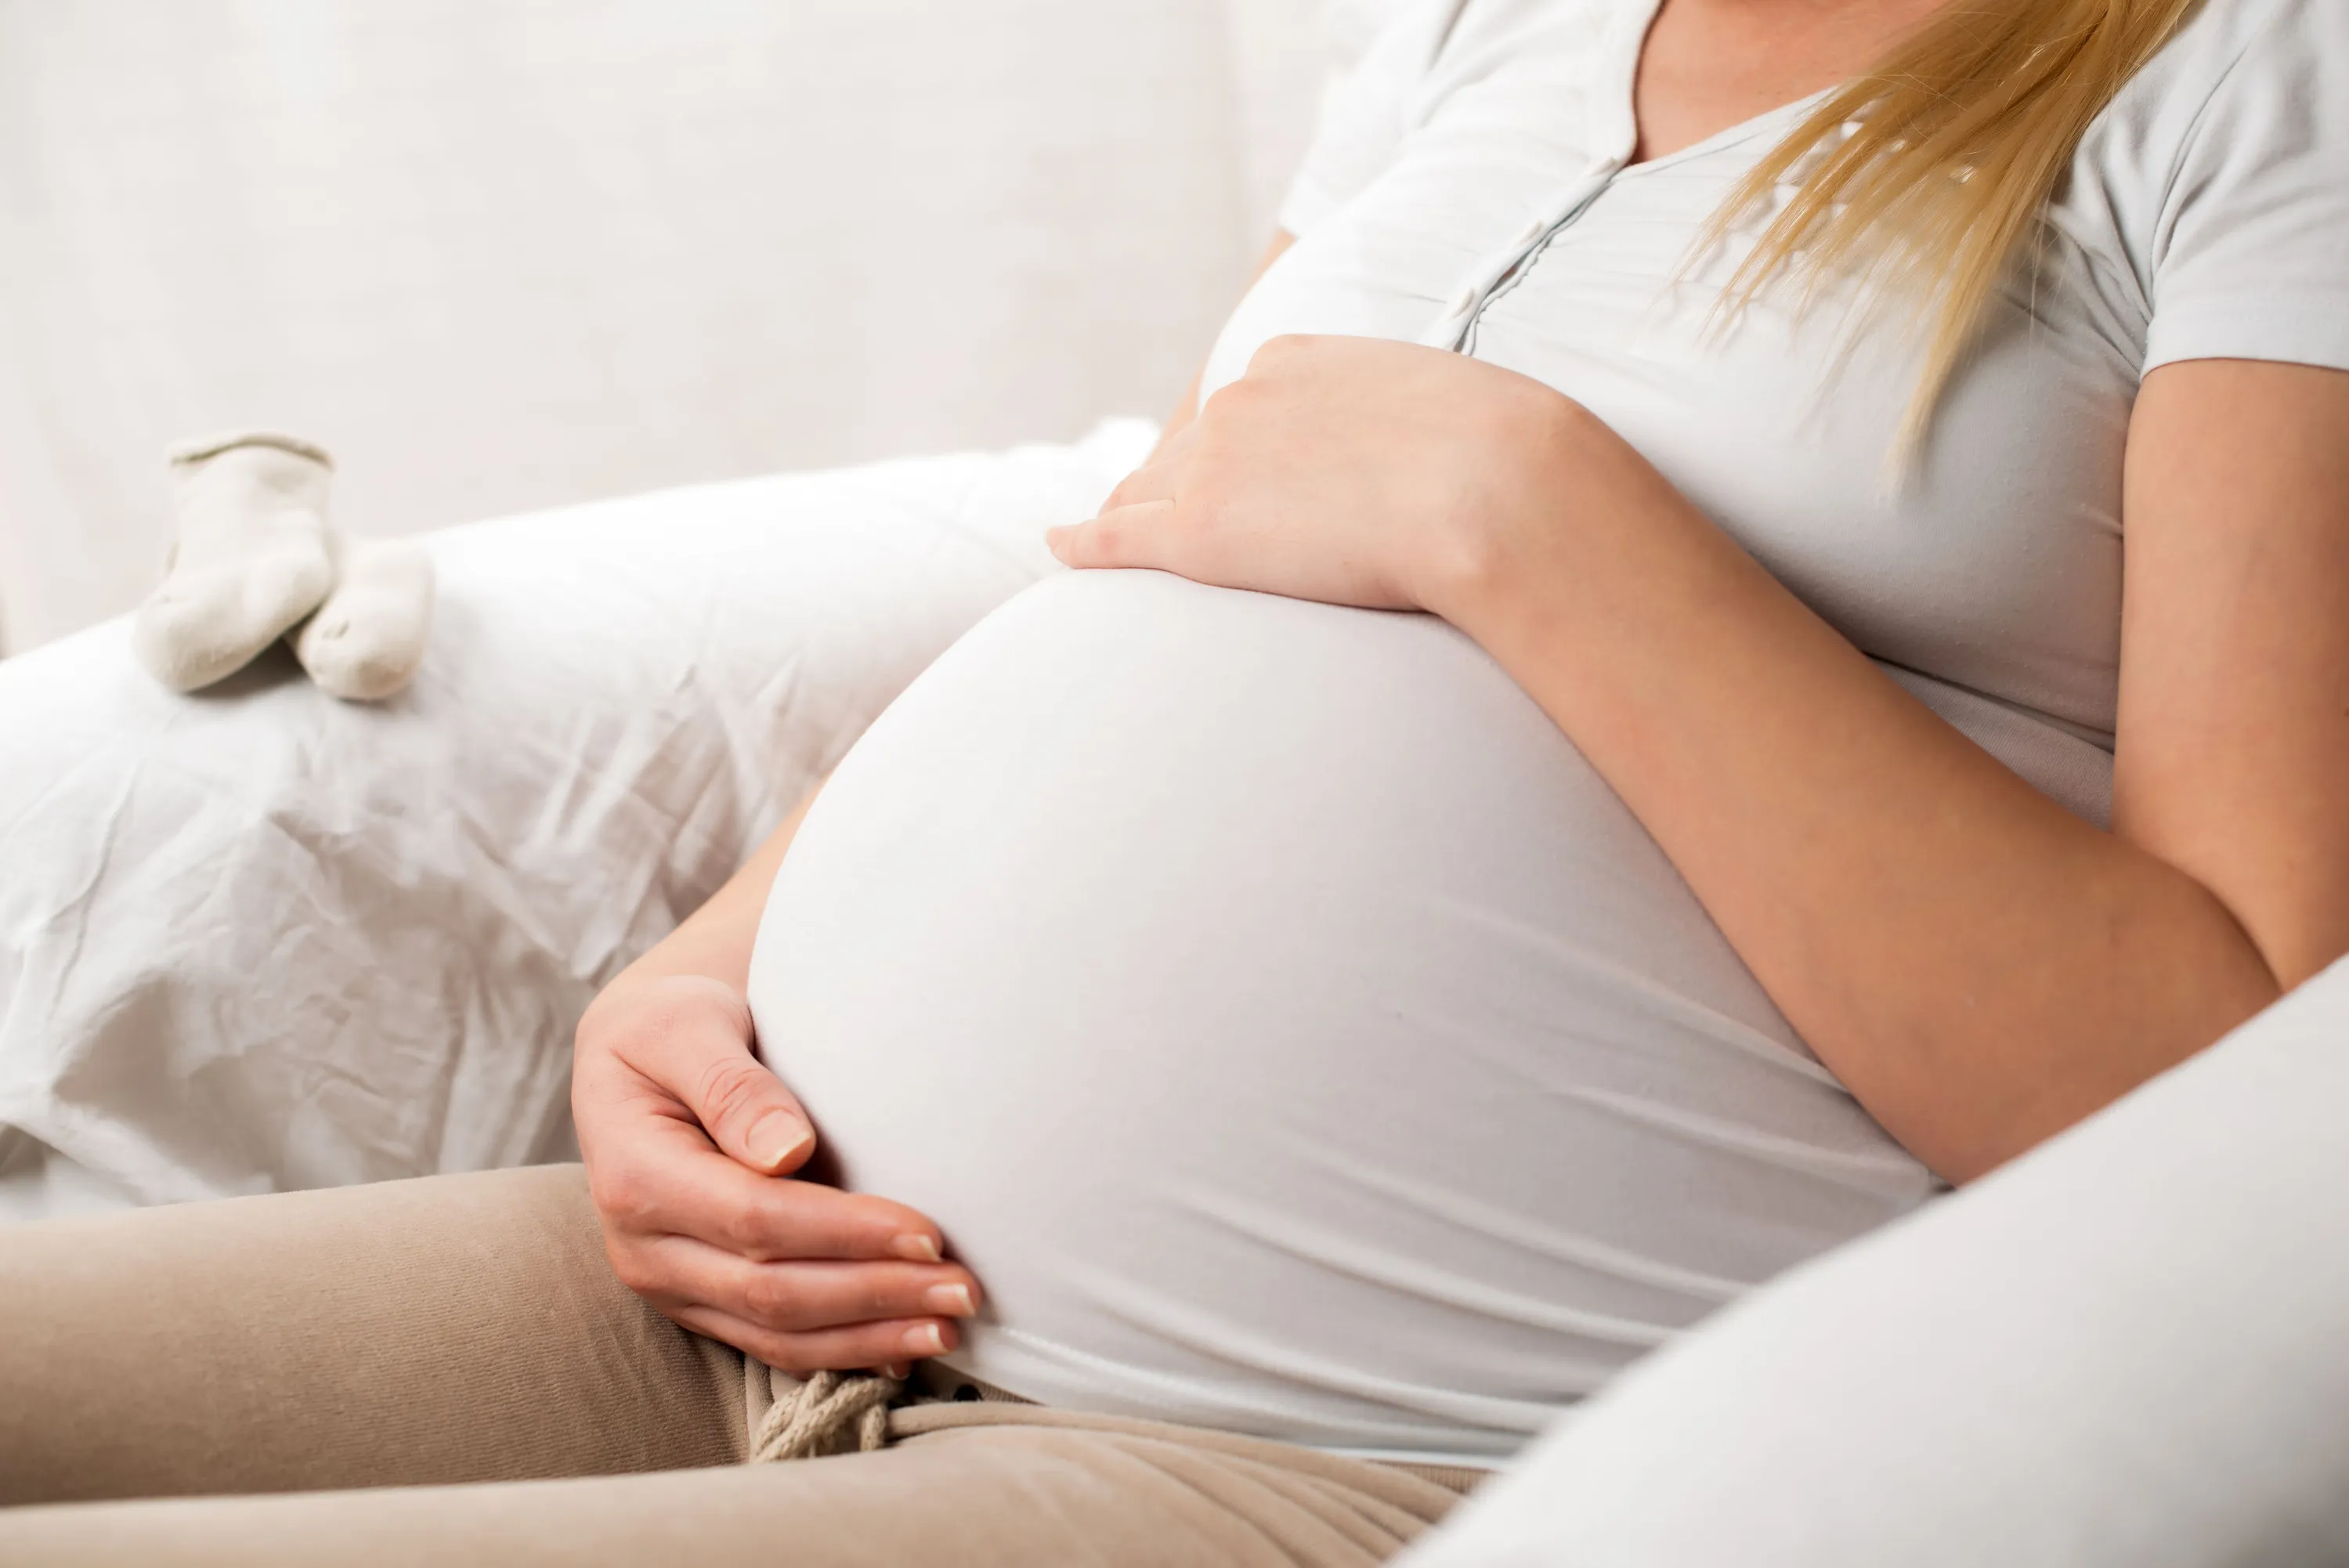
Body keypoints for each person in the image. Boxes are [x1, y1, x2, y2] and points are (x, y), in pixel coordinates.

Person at [3, 0, 2344, 1560]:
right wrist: (692, 982)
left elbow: (2225, 1089)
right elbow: (1153, 559)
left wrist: (1532, 515)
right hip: (808, 1266)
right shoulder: (1485, 21)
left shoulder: (2256, 76)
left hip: (1330, 1428)